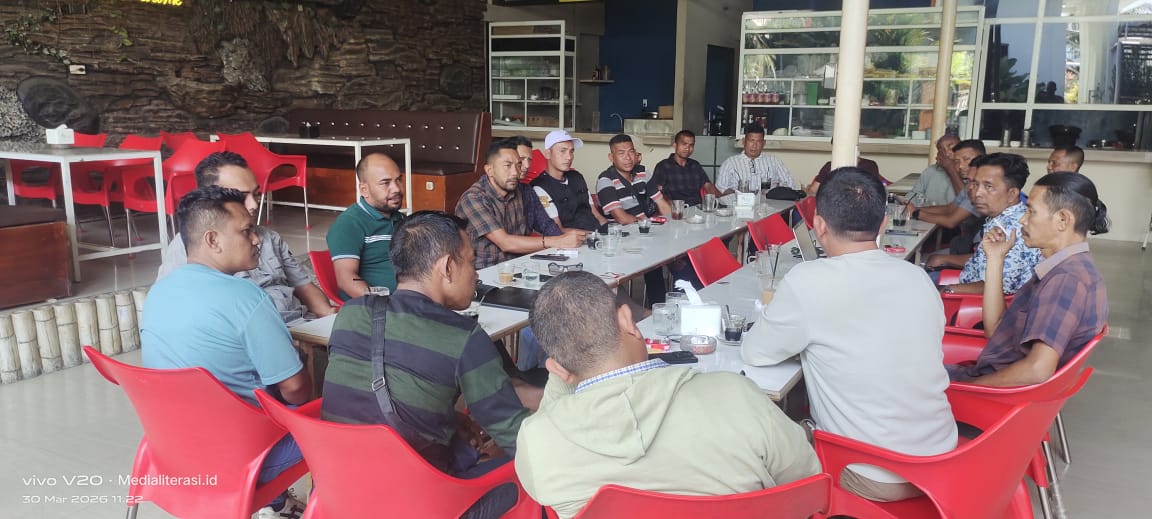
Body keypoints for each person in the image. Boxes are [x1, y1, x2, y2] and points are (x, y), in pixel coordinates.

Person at [516, 271, 821, 519]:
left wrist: (564, 373)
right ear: (628, 321)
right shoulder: (736, 395)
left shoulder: (537, 441)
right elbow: (807, 483)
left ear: (556, 368)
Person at [740, 167, 957, 503]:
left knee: (755, 442)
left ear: (819, 225)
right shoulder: (917, 277)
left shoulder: (808, 281)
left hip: (867, 474)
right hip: (942, 460)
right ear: (883, 225)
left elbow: (755, 353)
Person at [322, 211, 535, 519]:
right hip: (421, 506)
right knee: (531, 473)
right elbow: (515, 436)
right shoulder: (463, 336)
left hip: (340, 493)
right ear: (447, 268)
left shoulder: (350, 314)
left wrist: (447, 416)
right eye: (471, 262)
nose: (476, 275)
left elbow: (370, 392)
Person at [142, 186, 310, 519]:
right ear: (213, 240)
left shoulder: (159, 292)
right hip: (244, 461)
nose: (257, 239)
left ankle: (276, 505)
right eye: (246, 231)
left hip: (170, 453)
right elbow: (296, 390)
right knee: (340, 411)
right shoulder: (245, 298)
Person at [948, 172, 1109, 385]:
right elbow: (994, 329)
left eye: (1031, 211)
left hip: (989, 390)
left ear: (1062, 219)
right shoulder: (1068, 268)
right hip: (989, 377)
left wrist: (969, 389)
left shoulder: (1065, 280)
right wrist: (995, 259)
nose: (1022, 219)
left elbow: (1037, 370)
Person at [157, 151, 335, 324]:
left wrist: (329, 317)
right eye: (241, 197)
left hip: (301, 325)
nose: (254, 204)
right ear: (211, 198)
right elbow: (177, 311)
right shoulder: (190, 247)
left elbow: (303, 286)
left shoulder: (270, 238)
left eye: (256, 194)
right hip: (259, 335)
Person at [456, 139, 586, 269]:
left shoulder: (525, 191)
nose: (515, 172)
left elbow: (547, 226)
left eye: (518, 165)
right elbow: (505, 242)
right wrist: (557, 241)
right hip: (483, 274)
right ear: (489, 170)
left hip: (519, 268)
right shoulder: (473, 198)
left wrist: (570, 241)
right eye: (507, 166)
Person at [939, 153, 1043, 295]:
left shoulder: (1012, 229)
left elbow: (997, 287)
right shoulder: (1000, 218)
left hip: (972, 302)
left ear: (1012, 194)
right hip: (965, 283)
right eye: (976, 184)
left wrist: (944, 290)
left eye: (988, 186)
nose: (977, 193)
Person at [326, 153, 406, 300]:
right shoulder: (349, 224)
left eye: (398, 180)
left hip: (413, 302)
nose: (396, 188)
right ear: (364, 190)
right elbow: (346, 280)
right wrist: (388, 306)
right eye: (385, 183)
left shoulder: (401, 219)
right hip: (377, 307)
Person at [531, 129, 607, 231]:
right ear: (548, 154)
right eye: (563, 151)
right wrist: (591, 235)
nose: (569, 157)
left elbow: (596, 214)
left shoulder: (577, 177)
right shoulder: (540, 187)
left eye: (571, 151)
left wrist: (609, 230)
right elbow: (557, 230)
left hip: (597, 234)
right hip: (576, 239)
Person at [594, 133, 672, 224]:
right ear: (611, 157)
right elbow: (622, 218)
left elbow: (662, 205)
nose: (628, 158)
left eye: (631, 152)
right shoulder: (605, 180)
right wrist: (648, 224)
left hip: (646, 227)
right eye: (621, 153)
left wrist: (673, 224)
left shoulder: (643, 172)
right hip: (622, 230)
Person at [910, 139, 985, 230]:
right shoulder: (970, 185)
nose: (960, 166)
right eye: (956, 161)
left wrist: (915, 213)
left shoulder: (980, 188)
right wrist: (913, 209)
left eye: (966, 159)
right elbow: (949, 209)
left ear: (982, 157)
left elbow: (951, 222)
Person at [715, 125, 797, 195]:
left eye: (759, 141)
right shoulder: (730, 163)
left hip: (769, 205)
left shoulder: (774, 161)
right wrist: (738, 195)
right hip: (739, 205)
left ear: (764, 143)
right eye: (751, 141)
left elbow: (790, 184)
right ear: (744, 141)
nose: (754, 145)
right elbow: (720, 187)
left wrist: (776, 191)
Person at [649, 130, 720, 207]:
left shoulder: (695, 165)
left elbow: (708, 185)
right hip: (675, 209)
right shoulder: (663, 166)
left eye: (691, 145)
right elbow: (656, 191)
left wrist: (722, 199)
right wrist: (669, 205)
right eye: (684, 144)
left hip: (696, 208)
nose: (687, 148)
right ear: (675, 145)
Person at [903, 134, 961, 207]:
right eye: (941, 150)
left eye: (951, 148)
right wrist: (907, 202)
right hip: (926, 211)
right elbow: (914, 194)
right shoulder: (930, 171)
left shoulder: (965, 173)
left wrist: (950, 168)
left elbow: (964, 201)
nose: (947, 153)